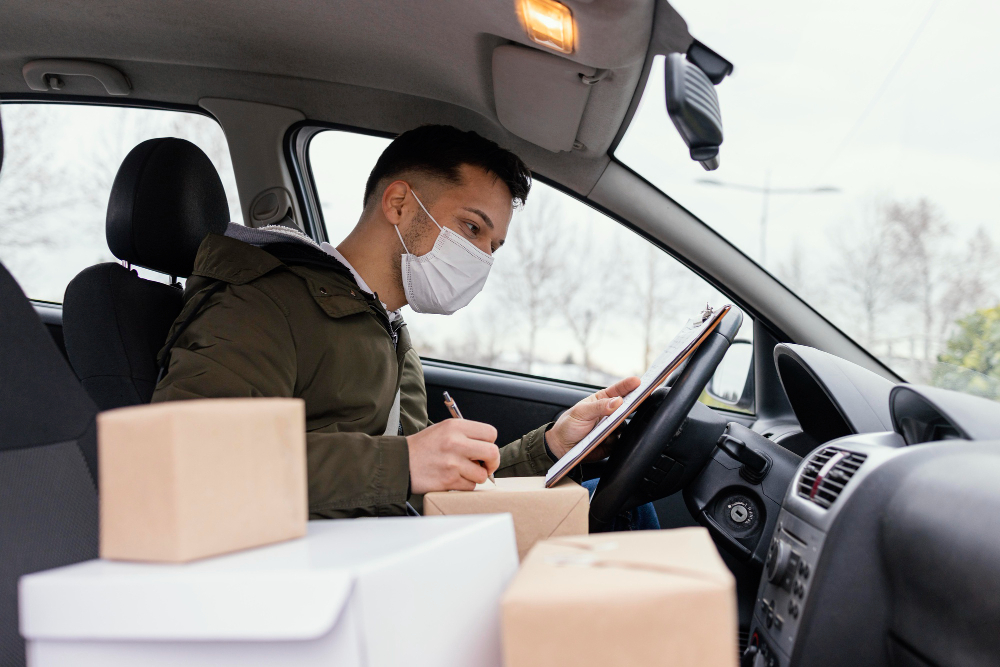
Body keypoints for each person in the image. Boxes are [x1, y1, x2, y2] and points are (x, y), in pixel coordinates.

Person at [152, 124, 657, 528]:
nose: (481, 257)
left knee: (625, 502)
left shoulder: (386, 327)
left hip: (394, 547)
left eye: (493, 246)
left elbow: (422, 482)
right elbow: (189, 462)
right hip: (309, 583)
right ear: (399, 204)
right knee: (622, 515)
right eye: (472, 228)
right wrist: (400, 463)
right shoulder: (262, 301)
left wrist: (551, 447)